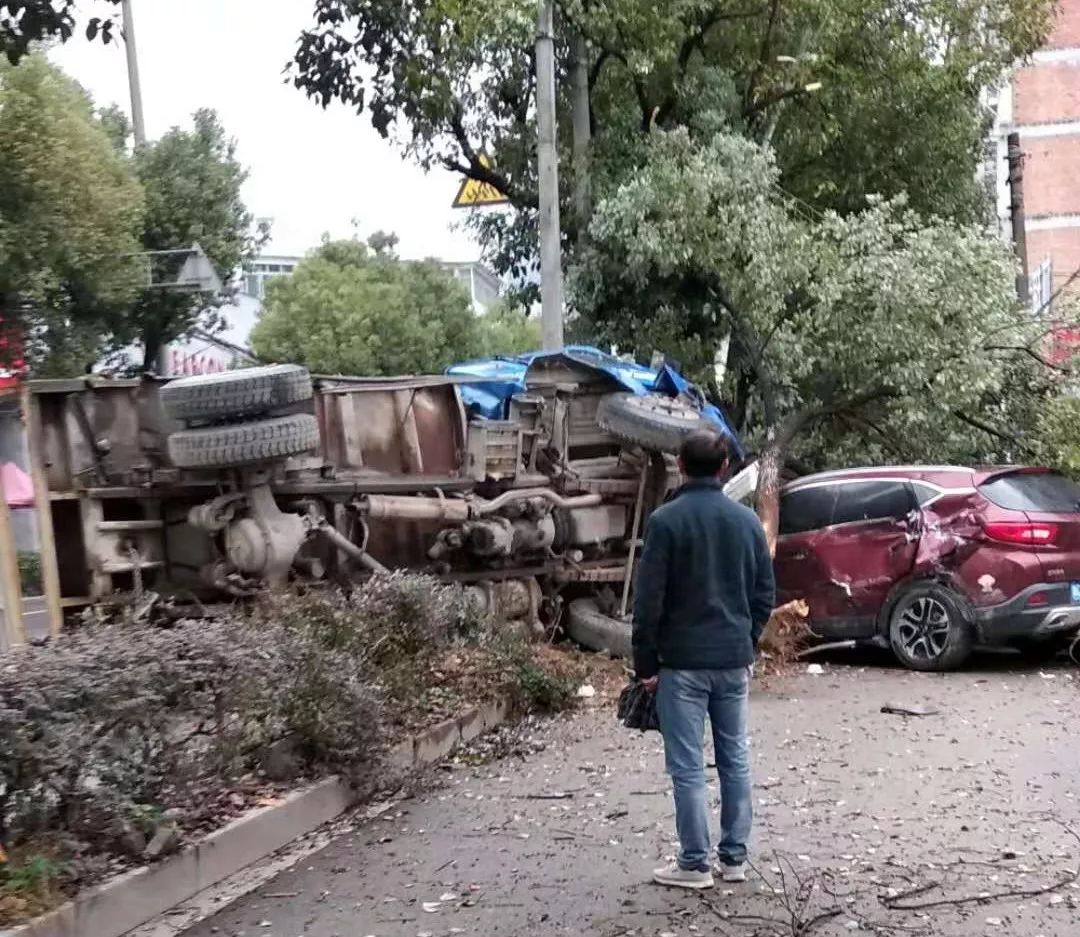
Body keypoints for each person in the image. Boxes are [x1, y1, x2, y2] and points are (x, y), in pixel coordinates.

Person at [633, 430, 775, 889]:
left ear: (679, 465)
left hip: (682, 665)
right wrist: (746, 639)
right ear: (724, 469)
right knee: (735, 758)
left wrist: (646, 668)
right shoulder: (747, 521)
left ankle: (693, 864)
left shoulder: (665, 522)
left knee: (688, 766)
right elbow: (764, 594)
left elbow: (648, 602)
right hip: (733, 661)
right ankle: (733, 859)